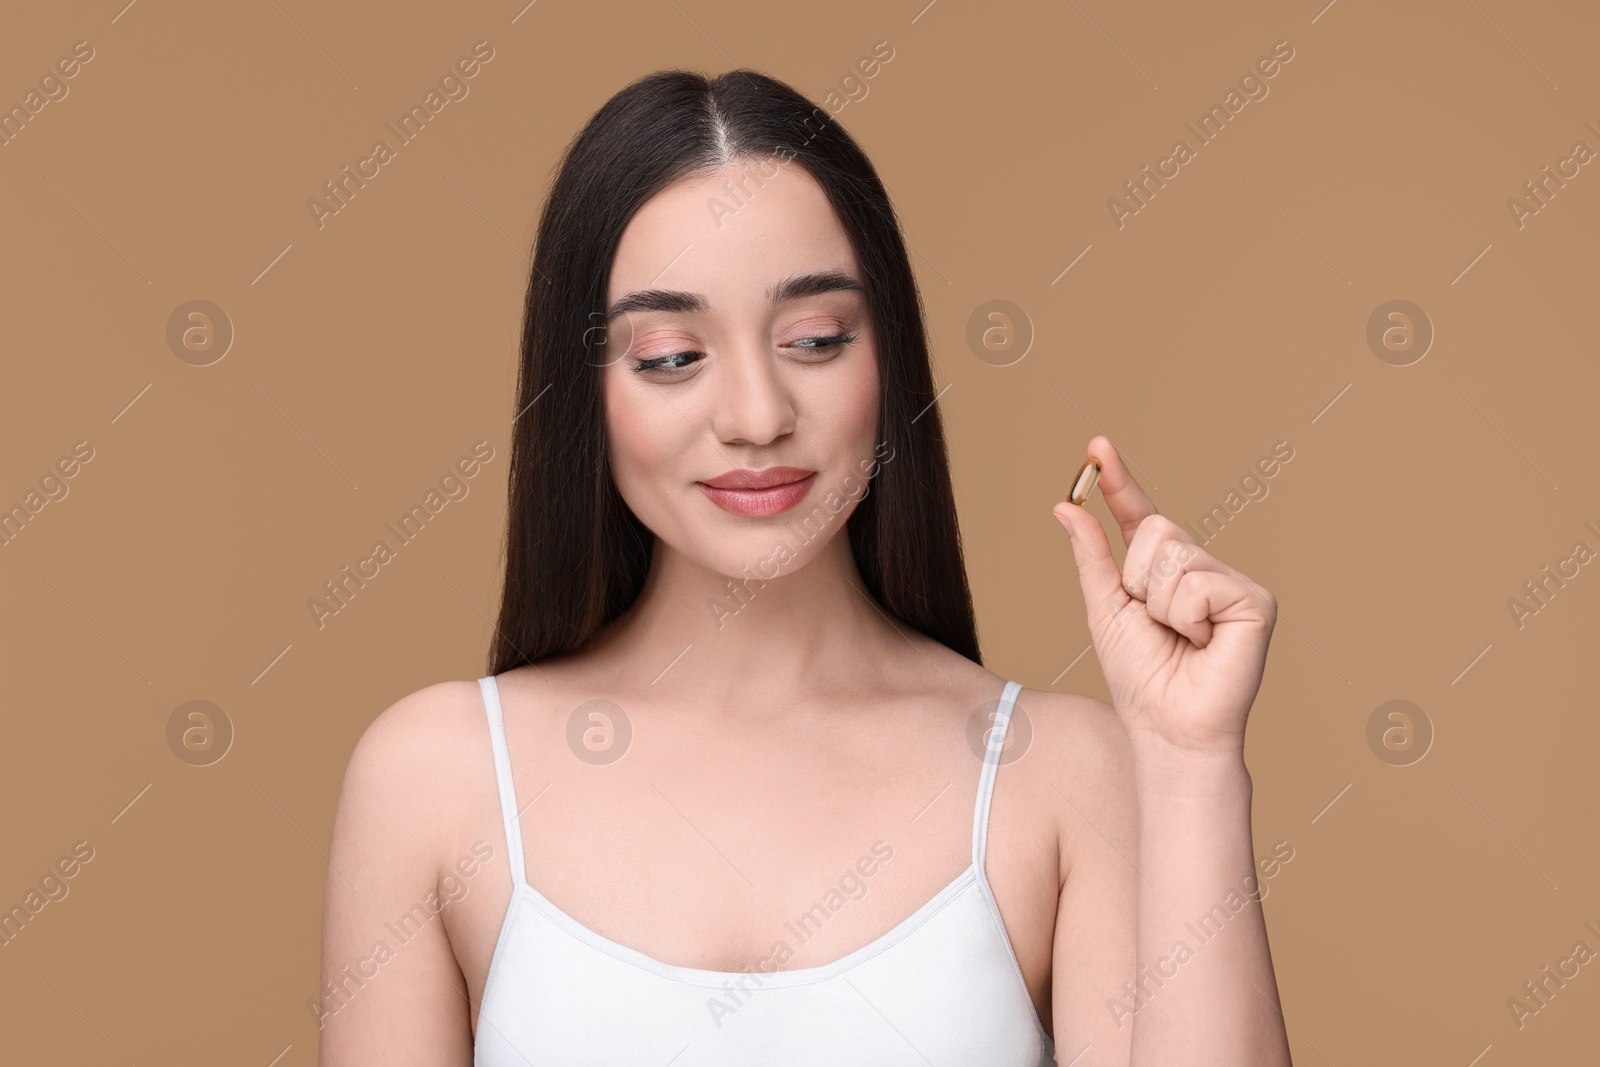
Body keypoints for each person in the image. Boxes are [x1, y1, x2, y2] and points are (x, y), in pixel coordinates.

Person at [318, 68, 1291, 1066]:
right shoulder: (433, 779)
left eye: (814, 340)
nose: (755, 415)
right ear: (582, 391)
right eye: (667, 356)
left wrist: (1189, 764)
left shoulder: (1063, 774)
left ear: (888, 358)